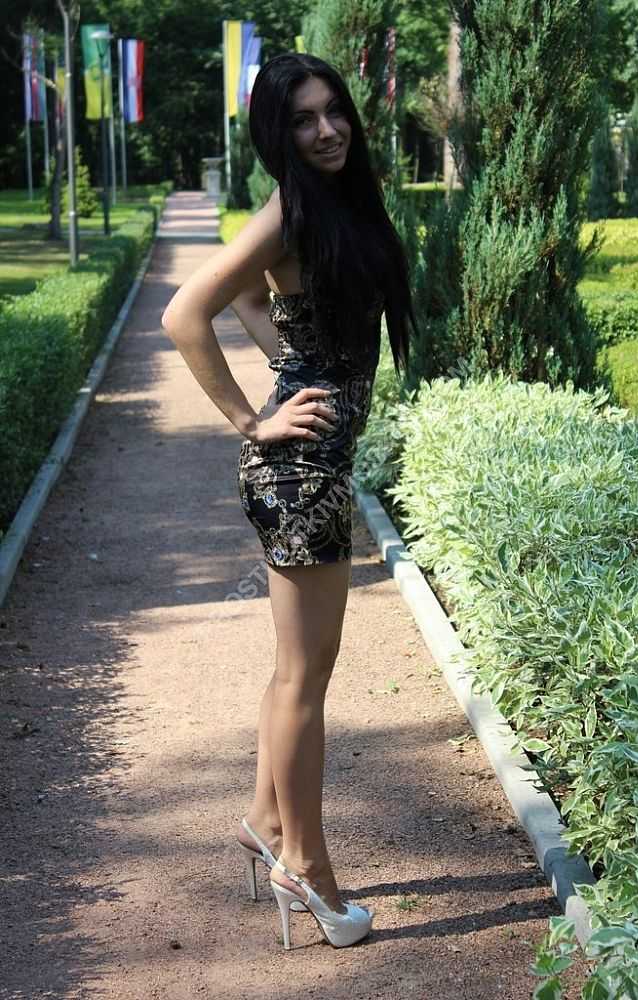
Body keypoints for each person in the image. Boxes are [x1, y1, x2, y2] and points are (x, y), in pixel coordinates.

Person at [161, 52, 416, 950]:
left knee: (295, 671)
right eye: (304, 119)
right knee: (307, 679)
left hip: (315, 467)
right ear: (278, 132)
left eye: (333, 110)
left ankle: (268, 822)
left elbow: (255, 298)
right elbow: (186, 311)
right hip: (297, 471)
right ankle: (306, 866)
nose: (327, 129)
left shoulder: (327, 204)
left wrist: (289, 357)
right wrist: (252, 419)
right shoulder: (288, 211)